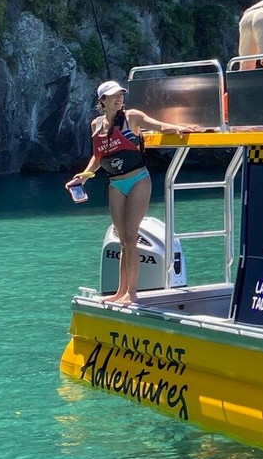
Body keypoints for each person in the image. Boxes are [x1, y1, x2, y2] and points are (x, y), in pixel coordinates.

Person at [65, 80, 198, 305]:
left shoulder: (131, 117)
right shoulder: (96, 124)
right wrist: (83, 176)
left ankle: (132, 293)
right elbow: (98, 157)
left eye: (121, 94)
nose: (119, 98)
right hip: (115, 183)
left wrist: (178, 128)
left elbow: (157, 125)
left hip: (138, 179)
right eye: (113, 95)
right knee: (123, 241)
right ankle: (120, 291)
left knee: (131, 237)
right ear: (102, 101)